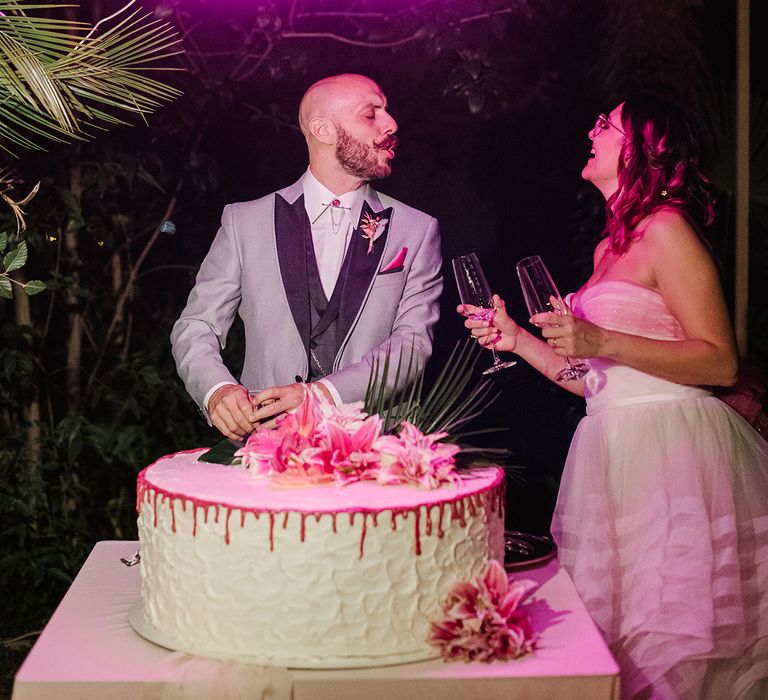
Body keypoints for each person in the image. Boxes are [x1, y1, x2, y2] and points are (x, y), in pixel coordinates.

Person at [459, 94, 768, 699]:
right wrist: (518, 340)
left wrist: (600, 335)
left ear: (642, 151)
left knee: (673, 636)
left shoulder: (667, 229)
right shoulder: (608, 249)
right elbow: (593, 380)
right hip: (611, 450)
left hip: (673, 453)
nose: (591, 129)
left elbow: (720, 359)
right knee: (617, 642)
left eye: (606, 125)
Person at [172, 74, 442, 439]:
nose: (391, 124)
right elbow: (197, 326)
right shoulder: (244, 222)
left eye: (387, 112)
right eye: (371, 114)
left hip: (380, 447)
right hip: (267, 446)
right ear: (323, 130)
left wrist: (323, 395)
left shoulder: (417, 229)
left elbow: (413, 345)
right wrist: (217, 391)